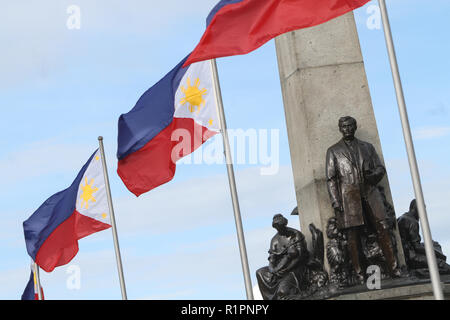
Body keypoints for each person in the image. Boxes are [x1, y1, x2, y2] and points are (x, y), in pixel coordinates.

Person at [325, 116, 401, 283]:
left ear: (355, 127)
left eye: (350, 126)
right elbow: (331, 179)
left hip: (370, 194)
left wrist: (373, 175)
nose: (347, 129)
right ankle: (359, 274)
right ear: (340, 129)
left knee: (383, 228)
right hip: (348, 198)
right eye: (344, 126)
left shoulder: (367, 147)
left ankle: (394, 268)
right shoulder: (333, 151)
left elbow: (380, 168)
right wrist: (336, 201)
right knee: (352, 236)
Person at [255, 214, 309, 299]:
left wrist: (287, 269)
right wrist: (273, 270)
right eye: (277, 227)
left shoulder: (295, 234)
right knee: (260, 272)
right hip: (280, 268)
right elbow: (272, 259)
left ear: (285, 224)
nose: (280, 229)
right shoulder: (274, 240)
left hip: (295, 267)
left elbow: (300, 257)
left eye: (281, 226)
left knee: (282, 292)